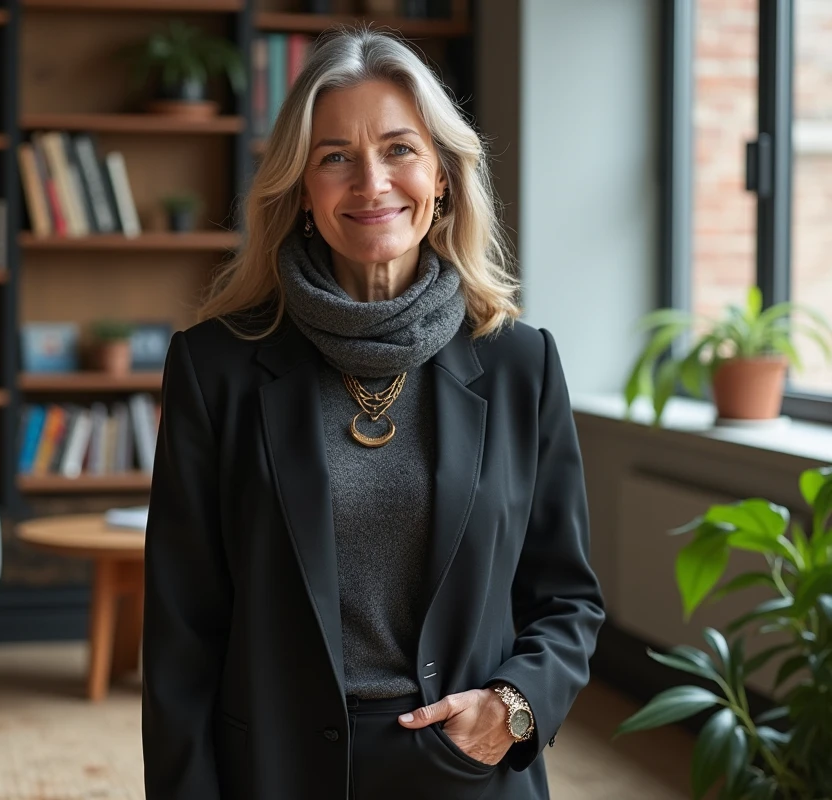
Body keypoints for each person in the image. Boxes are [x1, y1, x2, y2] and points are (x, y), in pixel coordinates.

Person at [140, 26, 605, 800]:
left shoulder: (521, 363)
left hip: (470, 769)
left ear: (444, 176)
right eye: (335, 157)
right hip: (279, 771)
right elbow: (182, 634)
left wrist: (514, 710)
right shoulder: (214, 367)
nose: (371, 183)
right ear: (300, 189)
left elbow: (567, 598)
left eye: (399, 150)